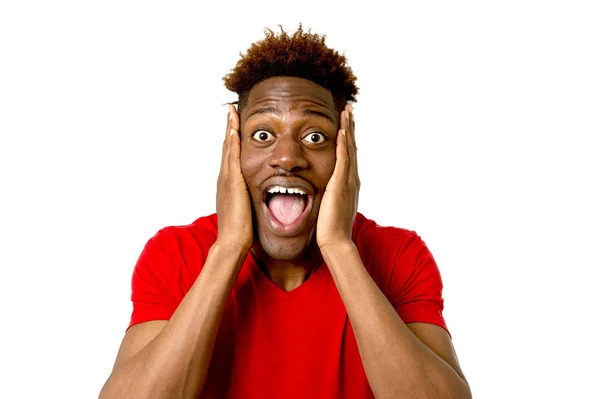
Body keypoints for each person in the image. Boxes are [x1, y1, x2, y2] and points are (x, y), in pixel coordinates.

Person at [99, 26, 471, 399]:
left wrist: (339, 247)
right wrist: (229, 247)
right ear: (234, 148)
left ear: (347, 151)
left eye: (314, 137)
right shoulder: (176, 253)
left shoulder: (398, 256)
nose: (287, 158)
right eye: (263, 135)